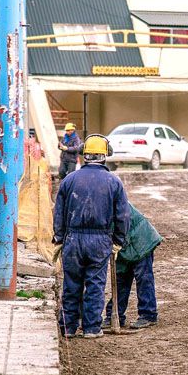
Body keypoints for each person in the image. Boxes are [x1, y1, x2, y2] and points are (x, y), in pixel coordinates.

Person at [54, 134, 129, 338]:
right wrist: (118, 241)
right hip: (100, 241)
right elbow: (123, 216)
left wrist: (59, 238)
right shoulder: (114, 182)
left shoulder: (69, 180)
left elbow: (59, 212)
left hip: (73, 239)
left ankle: (68, 327)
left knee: (72, 284)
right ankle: (92, 328)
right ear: (105, 156)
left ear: (84, 155)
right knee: (95, 284)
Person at [103, 202, 163, 330]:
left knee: (143, 278)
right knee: (121, 279)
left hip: (140, 239)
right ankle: (114, 315)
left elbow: (122, 220)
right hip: (123, 242)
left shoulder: (108, 199)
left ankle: (148, 315)